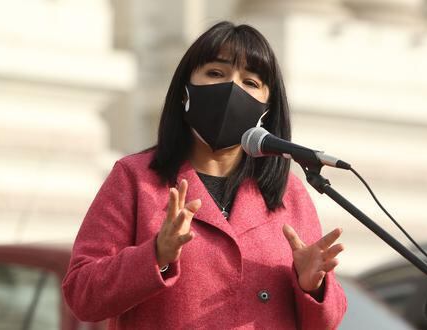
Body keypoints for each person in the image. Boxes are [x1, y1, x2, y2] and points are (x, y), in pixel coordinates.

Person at [62, 21, 347, 329]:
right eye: (215, 73)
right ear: (185, 92)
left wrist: (313, 287)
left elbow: (327, 321)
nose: (232, 89)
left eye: (250, 82)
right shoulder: (135, 178)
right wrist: (155, 255)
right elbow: (81, 294)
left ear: (267, 109)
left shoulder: (288, 193)